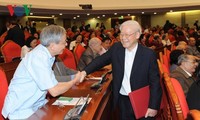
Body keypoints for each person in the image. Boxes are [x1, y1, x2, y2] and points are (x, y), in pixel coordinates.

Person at [80, 20, 162, 119]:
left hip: (141, 101)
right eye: (122, 34)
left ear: (137, 35)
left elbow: (155, 82)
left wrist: (153, 106)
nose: (123, 38)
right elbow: (100, 60)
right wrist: (84, 72)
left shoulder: (148, 54)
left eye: (127, 35)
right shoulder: (116, 48)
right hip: (122, 99)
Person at [2, 25, 81, 119]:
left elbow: (53, 84)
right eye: (64, 42)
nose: (66, 45)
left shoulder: (46, 55)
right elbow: (54, 91)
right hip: (21, 110)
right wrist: (74, 80)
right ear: (52, 45)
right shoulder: (38, 58)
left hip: (36, 105)